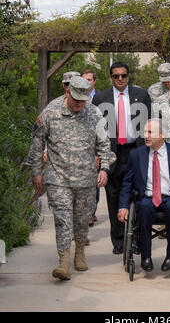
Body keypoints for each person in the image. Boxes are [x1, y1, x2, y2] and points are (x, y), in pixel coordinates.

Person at [26, 77, 116, 280]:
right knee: (63, 219)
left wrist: (104, 169)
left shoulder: (94, 113)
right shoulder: (51, 112)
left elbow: (104, 144)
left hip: (86, 178)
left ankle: (80, 252)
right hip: (58, 177)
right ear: (68, 92)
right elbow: (37, 143)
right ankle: (63, 262)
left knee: (82, 221)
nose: (79, 104)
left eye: (83, 100)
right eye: (76, 99)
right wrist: (36, 172)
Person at [118, 118, 170, 272]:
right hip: (147, 198)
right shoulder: (136, 155)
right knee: (144, 207)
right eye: (144, 132)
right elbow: (127, 184)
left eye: (150, 132)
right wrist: (123, 207)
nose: (146, 136)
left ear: (162, 135)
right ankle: (146, 256)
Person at [93, 61, 152, 254]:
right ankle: (118, 240)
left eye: (123, 76)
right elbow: (94, 129)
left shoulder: (141, 95)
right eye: (116, 76)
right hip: (112, 153)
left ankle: (135, 239)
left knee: (137, 195)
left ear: (128, 76)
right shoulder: (100, 98)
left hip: (136, 151)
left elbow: (149, 123)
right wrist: (96, 154)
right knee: (114, 196)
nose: (120, 79)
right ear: (111, 77)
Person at [81, 69, 102, 226]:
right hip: (80, 145)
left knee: (94, 181)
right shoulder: (76, 97)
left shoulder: (101, 99)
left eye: (89, 79)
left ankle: (91, 211)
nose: (87, 82)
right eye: (84, 79)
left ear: (94, 81)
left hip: (96, 143)